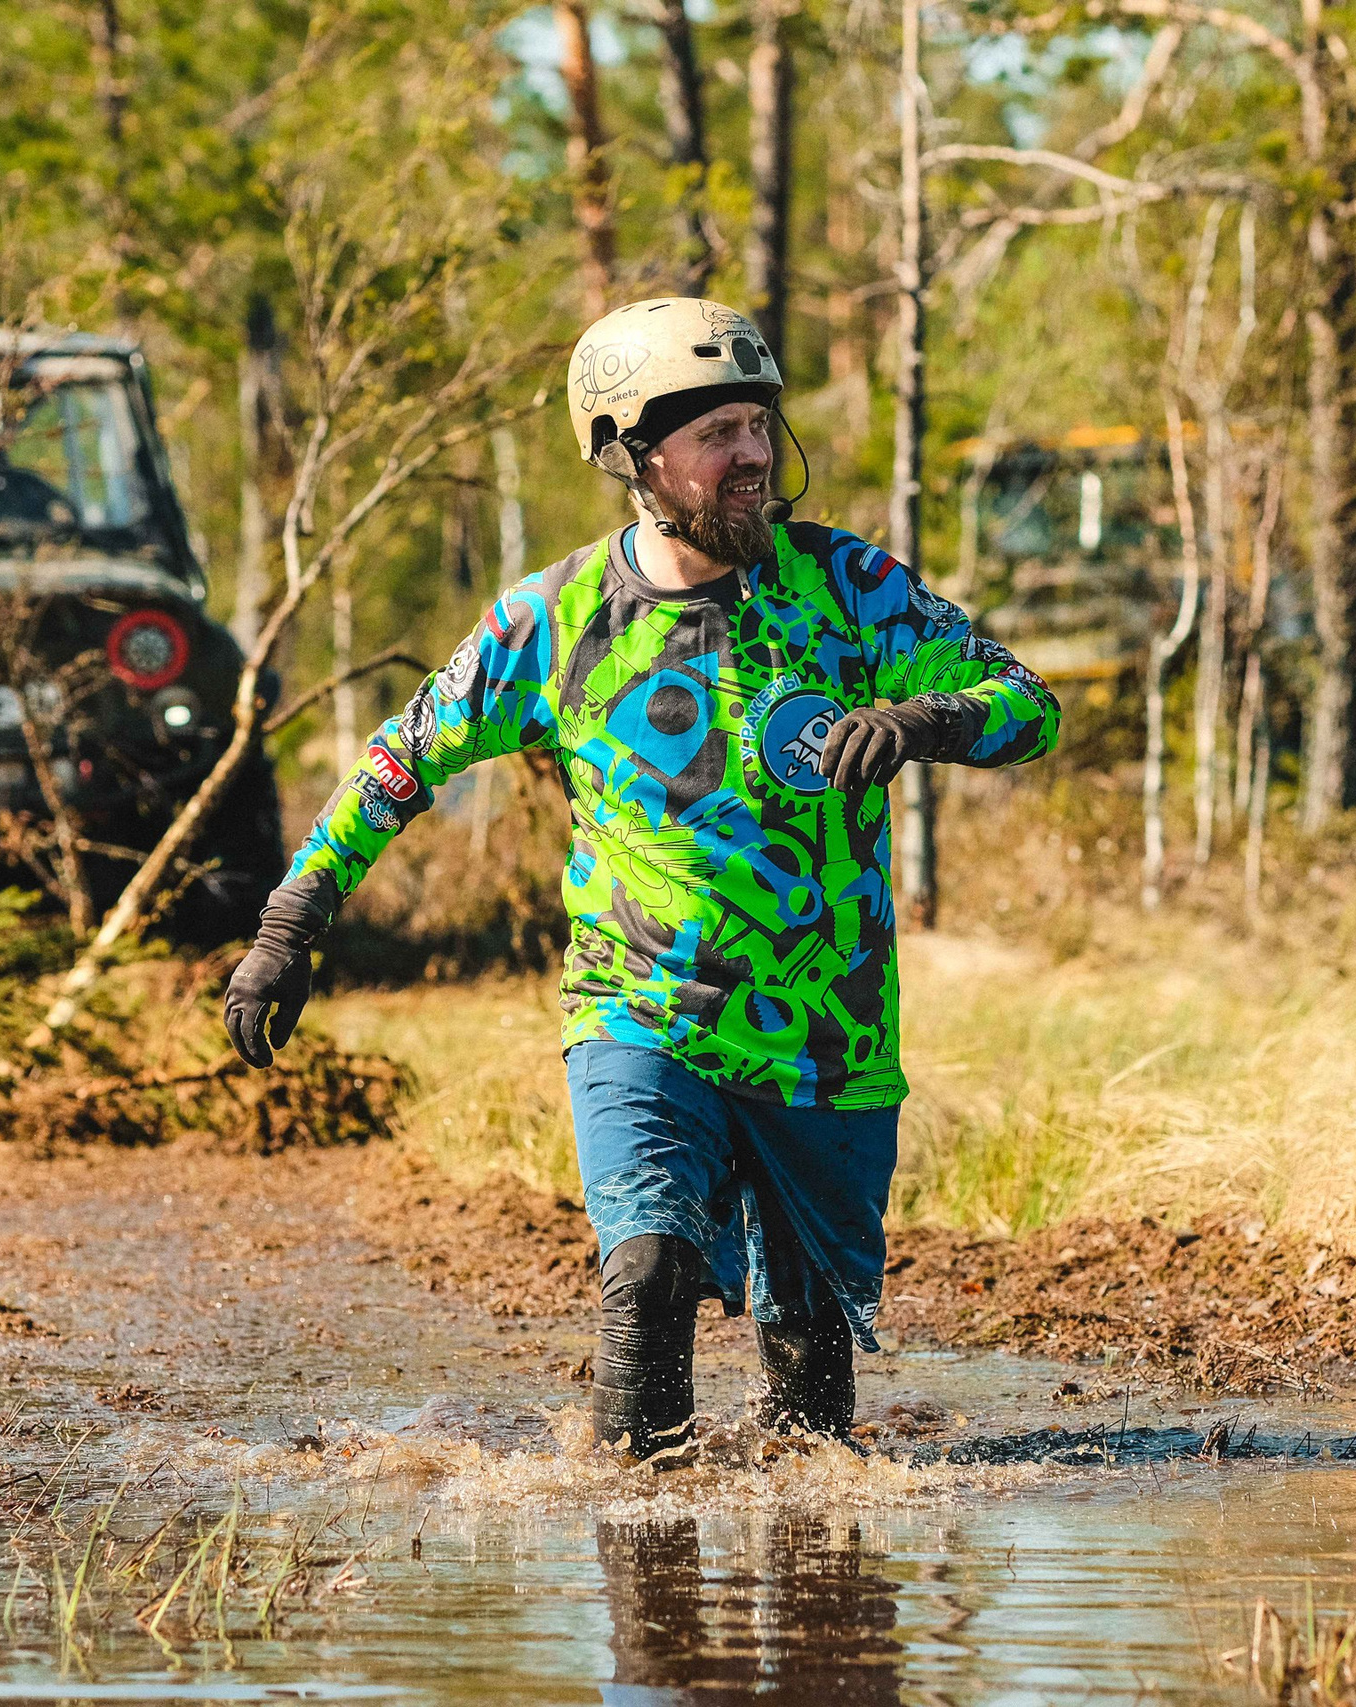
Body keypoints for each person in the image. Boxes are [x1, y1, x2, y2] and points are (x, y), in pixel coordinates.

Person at [224, 297, 1061, 1463]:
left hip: (830, 1044)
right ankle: (643, 1594)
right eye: (716, 434)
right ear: (629, 454)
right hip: (641, 1013)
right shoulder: (552, 620)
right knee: (651, 1276)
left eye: (760, 426)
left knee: (810, 1383)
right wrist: (290, 922)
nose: (754, 457)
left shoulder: (850, 587)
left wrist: (926, 718)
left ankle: (815, 1604)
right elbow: (397, 765)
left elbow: (1028, 702)